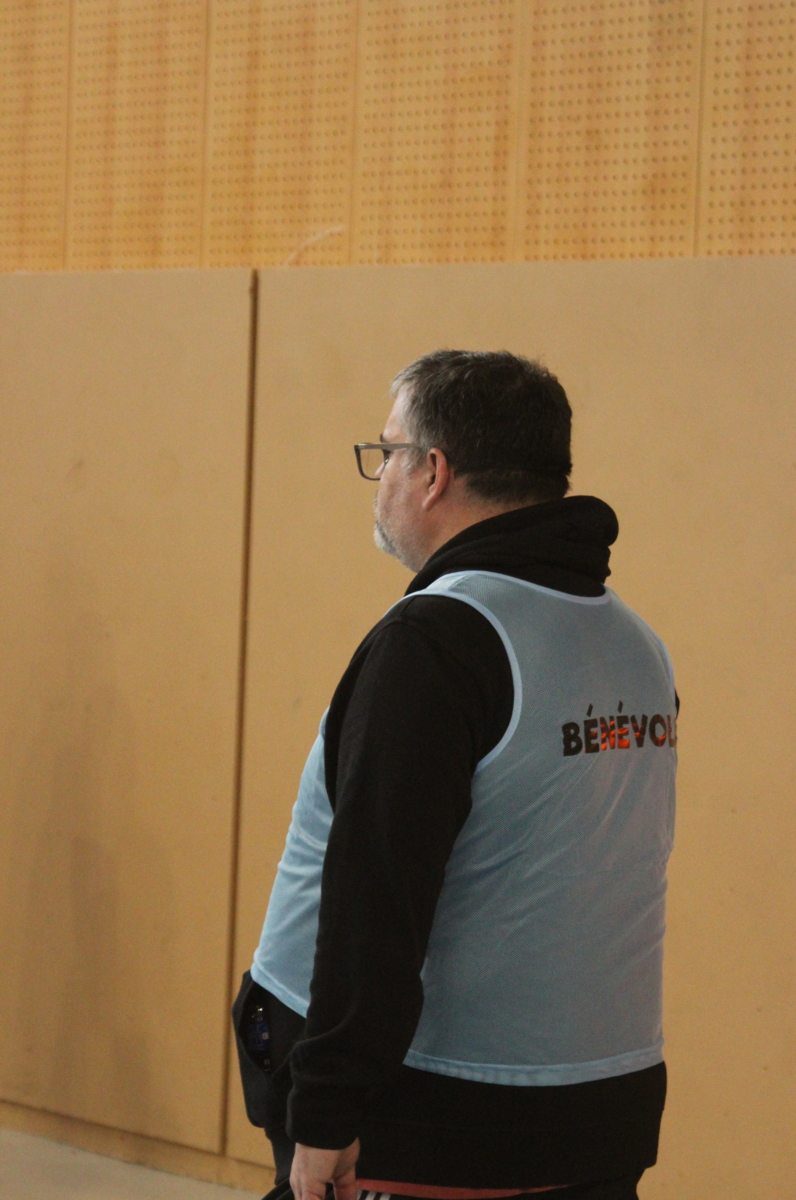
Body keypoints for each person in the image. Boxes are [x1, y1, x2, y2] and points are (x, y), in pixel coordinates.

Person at [233, 350, 677, 1200]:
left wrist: (325, 1110)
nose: (380, 479)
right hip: (603, 1112)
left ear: (432, 471)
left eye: (386, 453)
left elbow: (377, 892)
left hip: (432, 1117)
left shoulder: (439, 640)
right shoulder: (634, 643)